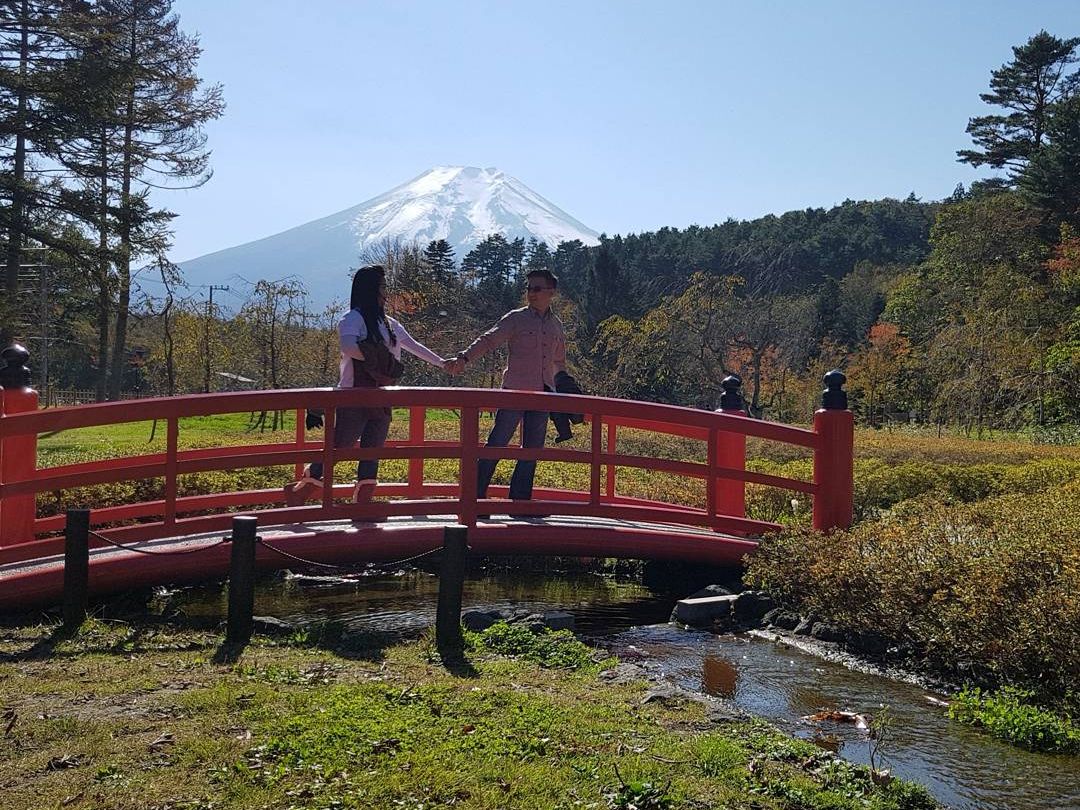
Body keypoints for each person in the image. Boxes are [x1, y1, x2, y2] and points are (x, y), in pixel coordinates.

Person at [287, 265, 448, 506]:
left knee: (373, 449)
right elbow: (348, 347)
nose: (385, 292)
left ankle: (363, 501)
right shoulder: (352, 319)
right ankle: (303, 488)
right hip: (354, 394)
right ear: (370, 289)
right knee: (342, 445)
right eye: (382, 287)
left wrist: (443, 363)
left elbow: (413, 346)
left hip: (381, 395)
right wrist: (378, 357)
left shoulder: (390, 324)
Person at [446, 268, 567, 509]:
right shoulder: (516, 318)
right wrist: (464, 358)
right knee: (496, 445)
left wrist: (565, 391)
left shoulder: (556, 325)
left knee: (532, 451)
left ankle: (520, 503)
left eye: (536, 288)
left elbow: (559, 362)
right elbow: (488, 340)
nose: (531, 293)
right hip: (514, 391)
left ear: (551, 292)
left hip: (543, 395)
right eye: (528, 288)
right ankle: (474, 498)